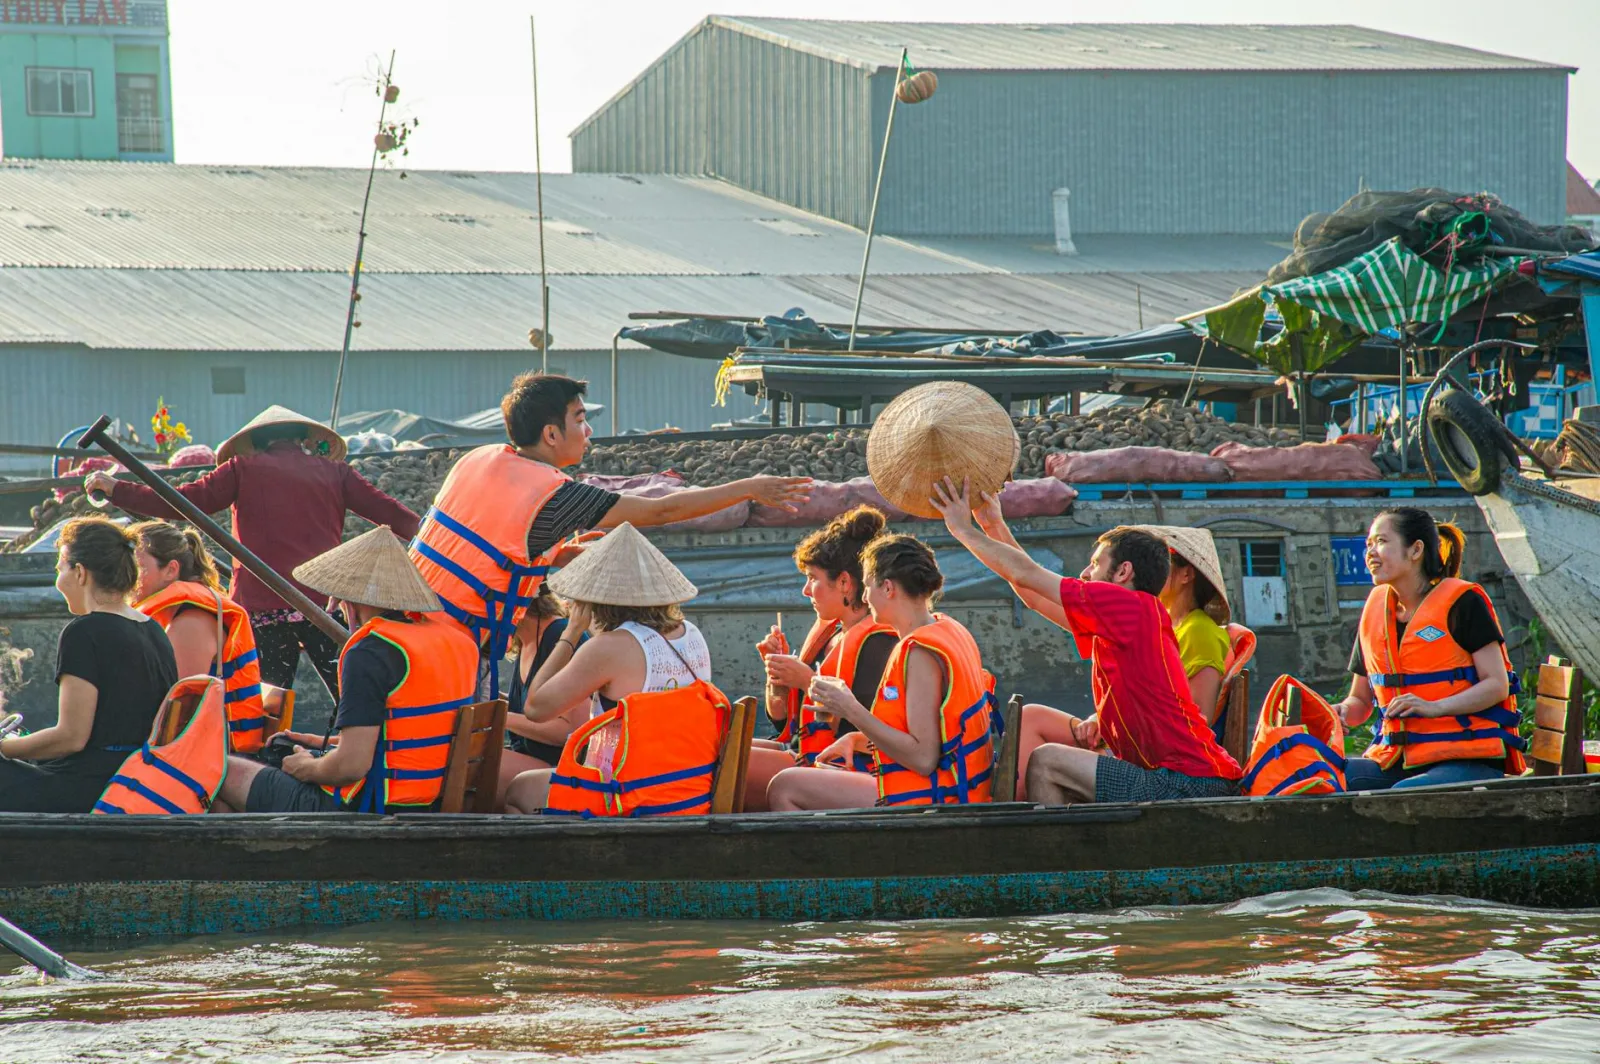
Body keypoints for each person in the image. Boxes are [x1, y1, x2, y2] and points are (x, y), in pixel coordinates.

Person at [410, 373, 810, 698]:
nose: (588, 430)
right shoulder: (555, 493)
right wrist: (748, 488)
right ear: (551, 434)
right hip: (452, 642)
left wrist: (553, 555)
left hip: (407, 614)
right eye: (580, 419)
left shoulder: (477, 459)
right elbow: (661, 510)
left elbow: (489, 544)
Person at [931, 477, 1240, 805]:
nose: (1085, 573)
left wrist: (962, 530)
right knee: (1041, 734)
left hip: (1186, 781)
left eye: (1095, 564)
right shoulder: (1124, 618)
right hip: (1173, 775)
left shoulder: (1129, 606)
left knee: (1047, 761)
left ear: (1123, 572)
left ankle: (1056, 854)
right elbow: (1034, 595)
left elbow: (1028, 574)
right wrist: (994, 526)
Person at [86, 406, 421, 699]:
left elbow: (185, 502)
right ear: (303, 440)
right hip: (322, 603)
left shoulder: (241, 469)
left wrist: (119, 490)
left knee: (267, 702)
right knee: (351, 692)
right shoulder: (335, 472)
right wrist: (434, 538)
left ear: (257, 443)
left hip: (263, 607)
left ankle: (267, 759)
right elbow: (391, 514)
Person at [218, 527, 478, 814]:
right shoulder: (458, 642)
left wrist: (307, 767)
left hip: (365, 808)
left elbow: (350, 767)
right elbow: (406, 734)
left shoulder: (369, 652)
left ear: (351, 601)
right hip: (429, 802)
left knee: (219, 770)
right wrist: (320, 743)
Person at [503, 523, 726, 817]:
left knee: (519, 789)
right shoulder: (692, 634)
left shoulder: (608, 648)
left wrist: (570, 633)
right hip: (690, 789)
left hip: (625, 795)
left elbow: (536, 708)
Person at [766, 532, 995, 811]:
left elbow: (923, 758)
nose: (864, 596)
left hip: (937, 797)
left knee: (785, 786)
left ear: (888, 588)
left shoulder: (920, 652)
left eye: (868, 586)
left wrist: (850, 709)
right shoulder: (945, 628)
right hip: (956, 786)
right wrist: (856, 739)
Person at [1332, 508, 1526, 790]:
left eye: (1382, 542)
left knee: (1404, 795)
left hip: (1469, 759)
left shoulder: (1464, 602)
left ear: (1416, 550)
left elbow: (1496, 685)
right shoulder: (1376, 611)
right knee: (1325, 778)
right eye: (1368, 545)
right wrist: (1340, 713)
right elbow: (1360, 701)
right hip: (1399, 760)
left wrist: (1435, 707)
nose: (1371, 552)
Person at [0, 518, 178, 812]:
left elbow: (71, 737)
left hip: (92, 788)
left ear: (80, 572)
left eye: (60, 569)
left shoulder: (84, 632)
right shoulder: (152, 629)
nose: (57, 580)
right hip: (136, 778)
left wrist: (5, 748)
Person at [745, 506, 898, 809]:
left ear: (844, 582)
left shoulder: (881, 642)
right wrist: (777, 681)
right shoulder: (832, 634)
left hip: (849, 769)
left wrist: (807, 680)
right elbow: (781, 724)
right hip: (809, 754)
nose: (805, 590)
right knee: (721, 745)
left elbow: (872, 730)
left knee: (722, 760)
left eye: (812, 577)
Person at [130, 520, 269, 753]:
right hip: (201, 744)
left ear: (171, 570)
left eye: (137, 567)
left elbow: (178, 709)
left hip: (219, 755)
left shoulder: (192, 621)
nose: (128, 577)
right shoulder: (180, 612)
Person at [494, 586, 590, 809]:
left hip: (560, 766)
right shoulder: (525, 639)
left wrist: (497, 716)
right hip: (530, 758)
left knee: (473, 763)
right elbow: (532, 707)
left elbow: (569, 730)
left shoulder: (561, 635)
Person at [1146, 526, 1233, 737]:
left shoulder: (1199, 631)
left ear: (1186, 574)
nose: (1149, 572)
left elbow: (1198, 721)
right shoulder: (1165, 625)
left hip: (1171, 761)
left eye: (1160, 564)